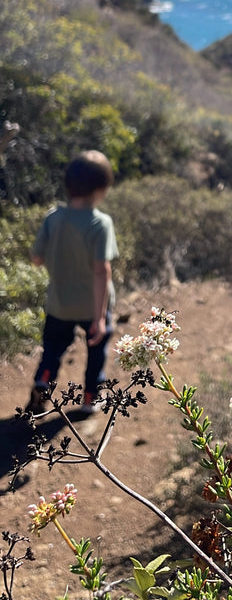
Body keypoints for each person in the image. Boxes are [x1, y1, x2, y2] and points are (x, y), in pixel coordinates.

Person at [26, 150, 118, 417]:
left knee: (52, 350)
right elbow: (102, 272)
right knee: (95, 353)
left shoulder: (53, 217)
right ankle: (90, 398)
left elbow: (36, 258)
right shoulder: (100, 224)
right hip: (92, 307)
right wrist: (100, 318)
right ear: (102, 188)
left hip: (59, 304)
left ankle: (42, 383)